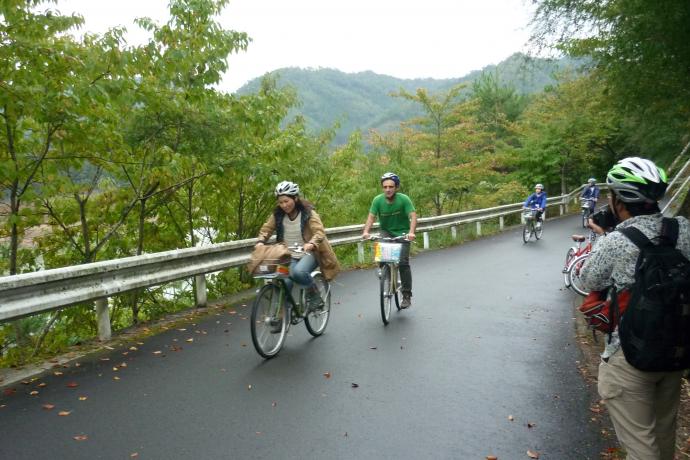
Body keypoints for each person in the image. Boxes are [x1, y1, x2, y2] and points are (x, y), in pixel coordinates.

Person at [580, 157, 690, 460]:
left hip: (629, 355)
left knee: (642, 447)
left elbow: (587, 278)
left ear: (618, 200)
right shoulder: (683, 229)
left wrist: (604, 239)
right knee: (663, 433)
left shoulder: (616, 240)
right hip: (676, 351)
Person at [255, 181, 340, 310]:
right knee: (284, 281)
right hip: (289, 254)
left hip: (309, 252)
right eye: (281, 202)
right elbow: (266, 229)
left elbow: (319, 232)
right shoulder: (277, 215)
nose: (284, 205)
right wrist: (261, 241)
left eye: (286, 201)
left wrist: (311, 243)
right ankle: (283, 314)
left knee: (298, 272)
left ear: (295, 198)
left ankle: (314, 296)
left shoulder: (308, 213)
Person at [362, 172, 417, 309]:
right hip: (386, 232)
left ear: (396, 187)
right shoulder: (377, 200)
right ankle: (387, 275)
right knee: (381, 259)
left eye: (391, 186)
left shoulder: (404, 199)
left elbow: (413, 216)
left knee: (403, 263)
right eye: (385, 187)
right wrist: (366, 231)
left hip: (402, 233)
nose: (388, 189)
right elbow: (371, 217)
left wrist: (411, 232)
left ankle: (406, 295)